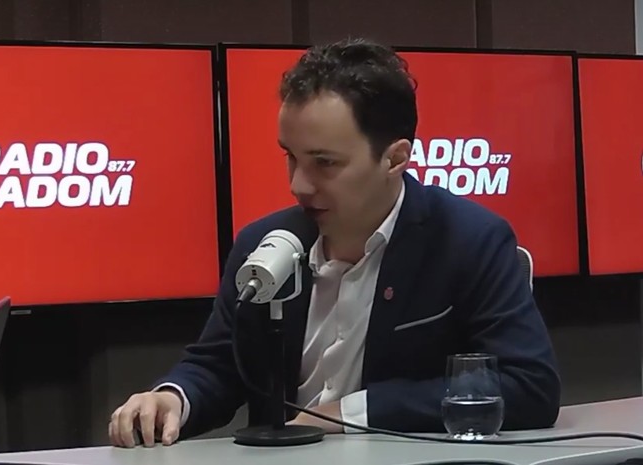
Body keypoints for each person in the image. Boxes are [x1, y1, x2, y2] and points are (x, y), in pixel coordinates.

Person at [108, 37, 561, 448]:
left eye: (324, 163)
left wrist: (350, 414)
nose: (298, 185)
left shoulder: (469, 240)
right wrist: (173, 398)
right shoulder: (261, 245)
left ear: (395, 159)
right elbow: (221, 366)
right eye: (291, 157)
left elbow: (529, 386)